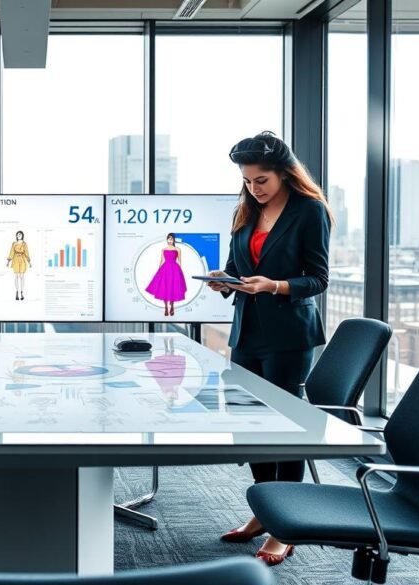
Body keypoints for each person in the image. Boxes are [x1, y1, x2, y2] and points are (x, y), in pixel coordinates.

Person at [207, 131, 332, 566]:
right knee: (250, 426)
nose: (254, 188)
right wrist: (224, 281)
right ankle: (264, 512)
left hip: (289, 336)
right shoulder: (245, 211)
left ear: (284, 174)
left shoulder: (309, 212)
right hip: (247, 333)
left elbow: (317, 279)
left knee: (285, 427)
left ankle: (286, 524)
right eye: (247, 180)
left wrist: (274, 286)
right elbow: (239, 269)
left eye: (262, 180)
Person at [145, 233, 187, 316]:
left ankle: (172, 306)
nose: (170, 240)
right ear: (167, 239)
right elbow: (161, 260)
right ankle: (166, 307)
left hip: (174, 269)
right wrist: (159, 270)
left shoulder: (178, 249)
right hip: (165, 269)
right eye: (169, 239)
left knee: (173, 287)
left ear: (174, 240)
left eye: (171, 239)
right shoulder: (163, 249)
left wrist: (180, 271)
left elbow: (180, 260)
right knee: (164, 287)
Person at [6, 230, 31, 300]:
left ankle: (22, 292)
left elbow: (27, 253)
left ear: (22, 235)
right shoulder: (14, 243)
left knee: (22, 276)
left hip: (22, 260)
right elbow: (11, 252)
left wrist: (29, 262)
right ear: (16, 236)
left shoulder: (24, 244)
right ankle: (17, 291)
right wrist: (8, 261)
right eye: (18, 235)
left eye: (20, 234)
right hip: (16, 260)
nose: (19, 236)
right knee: (16, 276)